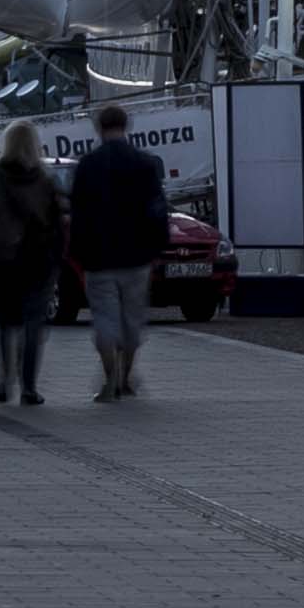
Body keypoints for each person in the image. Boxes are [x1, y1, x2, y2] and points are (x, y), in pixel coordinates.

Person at [65, 102, 173, 401]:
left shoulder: (88, 165)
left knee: (105, 319)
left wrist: (78, 251)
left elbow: (79, 213)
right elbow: (157, 209)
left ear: (99, 128)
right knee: (131, 320)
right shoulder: (144, 163)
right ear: (126, 126)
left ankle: (109, 373)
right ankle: (125, 377)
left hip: (99, 257)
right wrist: (157, 246)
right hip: (136, 256)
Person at [0, 120, 70, 407]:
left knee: (6, 324)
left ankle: (4, 383)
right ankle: (29, 387)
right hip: (38, 262)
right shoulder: (46, 179)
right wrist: (57, 258)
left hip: (1, 261)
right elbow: (58, 222)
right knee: (33, 325)